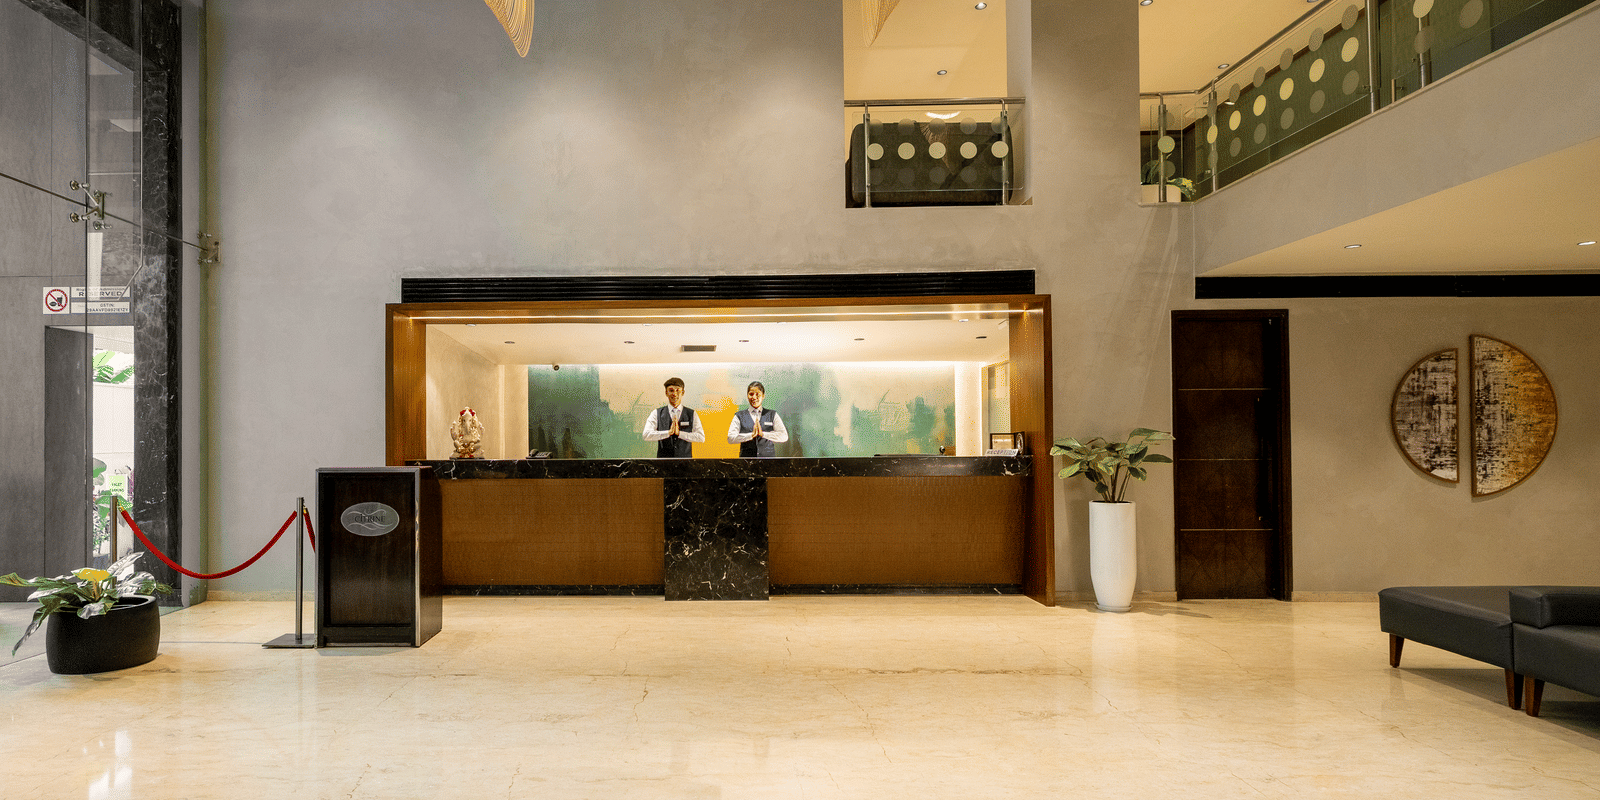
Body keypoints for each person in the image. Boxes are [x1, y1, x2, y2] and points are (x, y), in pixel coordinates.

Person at [641, 377, 705, 457]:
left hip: (686, 463)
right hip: (662, 463)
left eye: (678, 390)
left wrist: (679, 434)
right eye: (671, 390)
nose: (674, 394)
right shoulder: (656, 413)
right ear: (666, 393)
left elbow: (701, 437)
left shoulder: (692, 413)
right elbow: (646, 435)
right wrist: (668, 433)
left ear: (683, 392)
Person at [727, 380, 788, 458]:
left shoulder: (772, 414)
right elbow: (730, 438)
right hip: (746, 463)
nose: (754, 397)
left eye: (757, 394)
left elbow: (784, 436)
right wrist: (750, 435)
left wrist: (763, 434)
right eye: (751, 394)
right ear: (747, 395)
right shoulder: (739, 416)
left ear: (763, 396)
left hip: (769, 462)